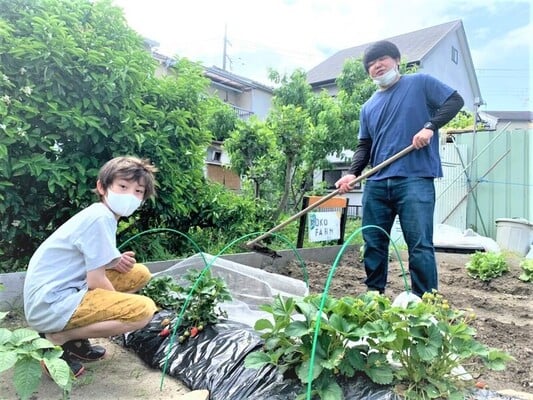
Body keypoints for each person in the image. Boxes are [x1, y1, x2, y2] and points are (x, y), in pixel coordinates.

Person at [335, 40, 464, 297]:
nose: (377, 66)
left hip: (414, 179)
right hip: (377, 182)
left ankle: (424, 301)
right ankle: (374, 296)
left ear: (396, 60)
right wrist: (352, 173)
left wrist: (430, 127)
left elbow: (455, 101)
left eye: (381, 59)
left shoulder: (420, 83)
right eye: (371, 64)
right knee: (373, 241)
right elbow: (365, 145)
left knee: (419, 244)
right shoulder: (368, 106)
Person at [24, 156, 159, 377]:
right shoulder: (100, 218)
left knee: (138, 274)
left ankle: (76, 340)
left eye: (138, 191)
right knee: (142, 311)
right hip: (51, 303)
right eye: (123, 187)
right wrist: (120, 307)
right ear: (102, 187)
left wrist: (115, 259)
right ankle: (58, 337)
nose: (130, 196)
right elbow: (96, 280)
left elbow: (87, 254)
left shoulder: (102, 214)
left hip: (56, 293)